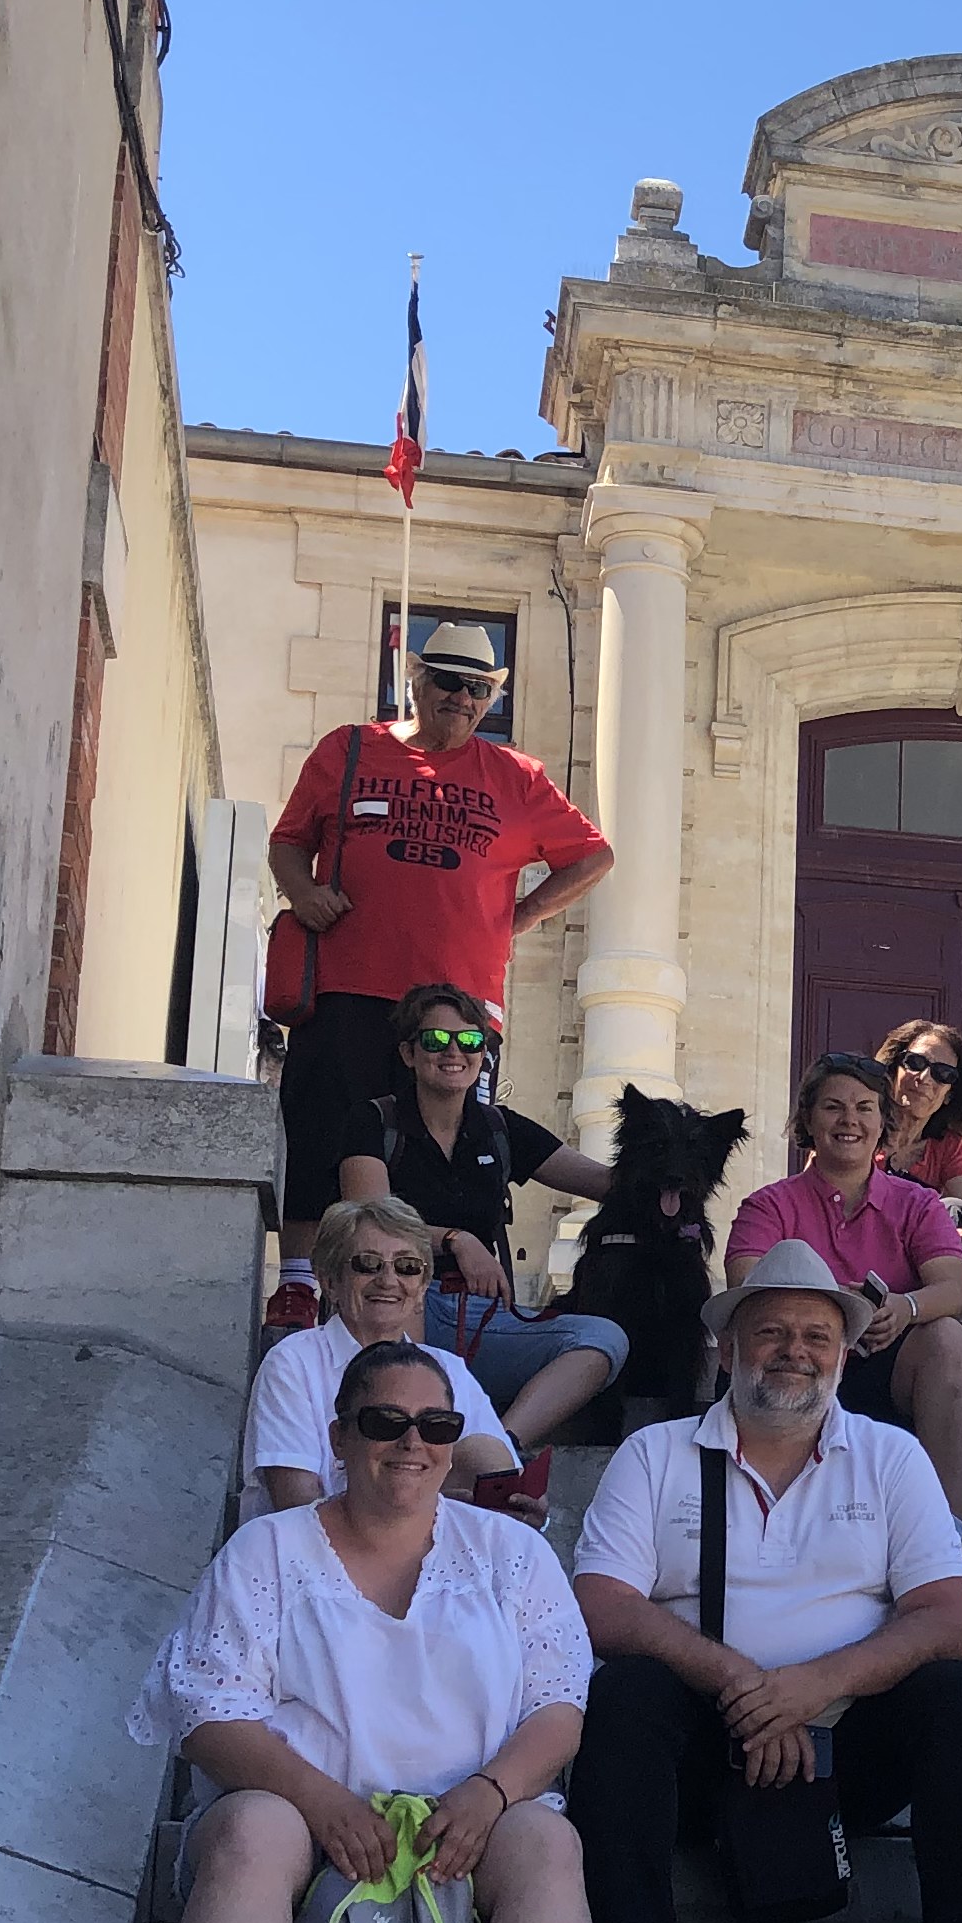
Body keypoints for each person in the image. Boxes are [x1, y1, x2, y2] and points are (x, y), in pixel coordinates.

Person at [122, 1340, 625, 1923]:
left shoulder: (510, 1553)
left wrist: (489, 1794)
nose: (412, 1443)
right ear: (340, 1437)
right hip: (303, 1819)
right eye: (385, 1421)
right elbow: (206, 1714)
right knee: (250, 1830)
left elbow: (559, 1708)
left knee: (548, 1839)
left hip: (467, 1827)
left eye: (435, 1424)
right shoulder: (268, 1550)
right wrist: (323, 1803)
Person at [567, 1244, 962, 1923]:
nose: (795, 1351)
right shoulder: (656, 1454)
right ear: (728, 1349)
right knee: (624, 1695)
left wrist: (813, 1689)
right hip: (700, 1742)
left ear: (843, 1354)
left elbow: (945, 1618)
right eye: (772, 1332)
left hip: (848, 1749)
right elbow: (600, 1603)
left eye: (817, 1336)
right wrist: (743, 1686)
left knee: (959, 1699)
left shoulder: (891, 1457)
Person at [265, 623, 612, 1329]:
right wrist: (302, 892)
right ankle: (300, 1278)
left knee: (449, 1147)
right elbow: (288, 841)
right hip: (349, 982)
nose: (462, 698)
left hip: (459, 1005)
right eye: (449, 681)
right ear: (416, 681)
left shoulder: (517, 776)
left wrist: (523, 915)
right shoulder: (348, 749)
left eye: (479, 688)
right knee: (323, 1127)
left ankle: (438, 1286)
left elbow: (593, 855)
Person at [327, 982, 626, 1490]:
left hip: (481, 1314)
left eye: (469, 1041)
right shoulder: (374, 1121)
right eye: (436, 1039)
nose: (454, 1052)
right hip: (400, 1299)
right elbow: (367, 1217)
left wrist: (670, 1161)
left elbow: (604, 1183)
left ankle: (496, 1453)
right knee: (401, 1297)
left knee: (602, 1340)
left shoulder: (499, 1129)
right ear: (408, 1052)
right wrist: (455, 1240)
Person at [724, 1053, 962, 1521]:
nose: (850, 1120)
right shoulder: (768, 1205)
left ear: (883, 1122)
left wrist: (904, 1308)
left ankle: (947, 1532)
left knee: (948, 1339)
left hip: (885, 1360)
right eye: (833, 1107)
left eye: (865, 1108)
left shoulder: (919, 1204)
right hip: (794, 1357)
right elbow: (746, 1285)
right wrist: (832, 1307)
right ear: (808, 1119)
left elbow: (955, 1288)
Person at [243, 1198, 516, 1513]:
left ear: (422, 1287)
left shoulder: (449, 1369)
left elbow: (501, 1471)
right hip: (316, 1542)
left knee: (483, 1451)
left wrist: (521, 1509)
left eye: (407, 1267)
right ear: (330, 1281)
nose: (388, 1281)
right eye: (367, 1264)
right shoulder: (292, 1363)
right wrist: (428, 1514)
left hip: (433, 1538)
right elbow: (297, 1505)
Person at [873, 1018, 962, 1263]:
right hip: (851, 1248)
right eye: (915, 1063)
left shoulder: (947, 1147)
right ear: (893, 1070)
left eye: (943, 1074)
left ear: (949, 1095)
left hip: (911, 1263)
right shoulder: (857, 1128)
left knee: (956, 1210)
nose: (925, 1078)